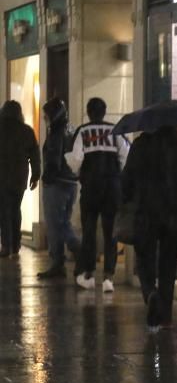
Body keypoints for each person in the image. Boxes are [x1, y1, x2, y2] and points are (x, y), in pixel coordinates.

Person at [122, 125, 177, 329]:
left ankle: (150, 293)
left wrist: (127, 200)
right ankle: (166, 316)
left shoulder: (140, 145)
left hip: (145, 211)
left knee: (145, 258)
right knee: (168, 265)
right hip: (173, 213)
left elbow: (127, 179)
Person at [65, 97, 130, 292]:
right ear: (104, 111)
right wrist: (118, 175)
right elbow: (126, 154)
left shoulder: (83, 131)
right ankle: (109, 277)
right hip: (112, 187)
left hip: (91, 188)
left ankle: (89, 274)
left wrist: (79, 173)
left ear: (88, 112)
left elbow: (76, 159)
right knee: (111, 232)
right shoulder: (115, 129)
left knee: (89, 231)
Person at [38, 97, 81, 278]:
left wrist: (47, 178)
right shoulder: (70, 129)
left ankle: (71, 253)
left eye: (46, 115)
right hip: (71, 182)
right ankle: (67, 256)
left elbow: (54, 160)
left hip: (57, 183)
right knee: (63, 221)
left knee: (56, 224)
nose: (44, 118)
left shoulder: (56, 132)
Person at [0, 101, 41, 258]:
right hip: (19, 178)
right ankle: (16, 245)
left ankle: (6, 245)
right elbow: (35, 155)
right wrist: (35, 175)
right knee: (15, 209)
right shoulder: (26, 131)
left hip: (2, 176)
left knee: (4, 210)